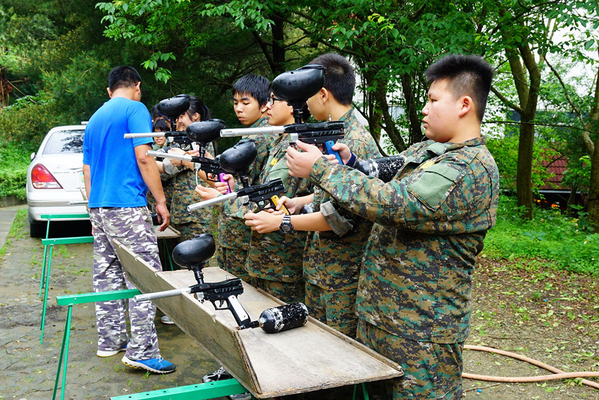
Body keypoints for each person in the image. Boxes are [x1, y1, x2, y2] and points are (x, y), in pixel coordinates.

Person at [285, 54, 499, 399]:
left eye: (432, 101)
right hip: (384, 320)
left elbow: (397, 205)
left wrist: (322, 170)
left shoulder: (470, 168)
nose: (425, 109)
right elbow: (384, 169)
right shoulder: (431, 151)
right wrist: (351, 162)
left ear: (464, 105)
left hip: (421, 334)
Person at [244, 53, 379, 338]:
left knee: (340, 357)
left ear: (322, 93)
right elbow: (331, 195)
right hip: (321, 269)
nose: (302, 104)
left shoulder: (354, 142)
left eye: (306, 95)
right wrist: (300, 202)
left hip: (343, 275)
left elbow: (341, 217)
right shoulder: (331, 134)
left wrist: (281, 223)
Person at [82, 66, 176, 374]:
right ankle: (143, 350)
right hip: (126, 206)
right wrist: (160, 201)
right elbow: (144, 156)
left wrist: (94, 205)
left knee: (106, 273)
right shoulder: (136, 109)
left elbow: (87, 170)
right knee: (143, 275)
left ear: (109, 91)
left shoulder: (95, 118)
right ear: (137, 86)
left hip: (98, 205)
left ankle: (110, 340)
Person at [197, 74, 273, 282]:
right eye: (236, 103)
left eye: (245, 103)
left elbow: (242, 187)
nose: (238, 108)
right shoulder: (253, 133)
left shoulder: (259, 136)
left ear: (265, 104)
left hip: (243, 231)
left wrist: (197, 165)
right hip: (239, 228)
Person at [242, 89, 312, 304]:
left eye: (274, 101)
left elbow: (276, 199)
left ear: (293, 106)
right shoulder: (279, 141)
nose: (268, 106)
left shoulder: (296, 143)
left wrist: (226, 198)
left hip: (283, 260)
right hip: (268, 256)